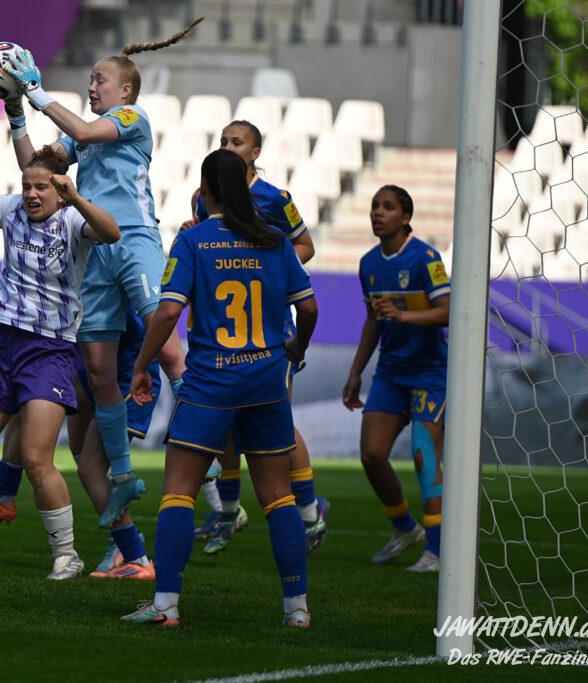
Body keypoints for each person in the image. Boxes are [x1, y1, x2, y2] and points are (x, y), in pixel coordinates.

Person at [0, 22, 202, 528]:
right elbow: (36, 171)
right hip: (93, 248)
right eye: (90, 80)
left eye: (99, 80)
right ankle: (124, 475)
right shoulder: (80, 140)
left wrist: (37, 91)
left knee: (169, 349)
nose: (92, 88)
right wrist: (17, 115)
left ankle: (208, 448)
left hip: (134, 239)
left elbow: (88, 131)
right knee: (97, 369)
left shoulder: (131, 118)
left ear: (125, 89)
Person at [121, 149, 319, 627]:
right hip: (266, 382)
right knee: (278, 496)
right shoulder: (275, 241)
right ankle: (297, 609)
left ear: (205, 189)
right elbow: (309, 308)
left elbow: (168, 311)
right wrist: (296, 346)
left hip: (210, 383)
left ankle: (166, 605)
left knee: (179, 492)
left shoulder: (193, 241)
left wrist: (142, 365)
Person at [0, 146, 121, 579]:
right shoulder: (11, 209)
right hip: (2, 345)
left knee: (36, 458)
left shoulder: (74, 220)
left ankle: (66, 554)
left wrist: (76, 198)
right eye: (27, 186)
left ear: (60, 190)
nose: (31, 194)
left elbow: (112, 232)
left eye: (42, 187)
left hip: (49, 351)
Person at [185, 120, 328, 555]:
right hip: (221, 332)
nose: (229, 146)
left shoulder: (275, 199)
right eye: (223, 141)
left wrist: (271, 270)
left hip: (270, 330)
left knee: (279, 423)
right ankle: (229, 513)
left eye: (237, 141)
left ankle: (310, 515)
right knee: (227, 429)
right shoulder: (202, 197)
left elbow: (304, 246)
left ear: (256, 152)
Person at [0, 302, 162, 580]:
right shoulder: (73, 285)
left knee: (91, 468)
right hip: (88, 374)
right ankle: (3, 497)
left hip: (126, 383)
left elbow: (160, 322)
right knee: (31, 402)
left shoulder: (116, 284)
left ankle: (135, 555)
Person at [342, 185, 449, 573]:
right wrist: (356, 372)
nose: (378, 212)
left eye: (387, 207)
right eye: (375, 206)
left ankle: (436, 550)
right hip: (390, 373)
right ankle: (405, 527)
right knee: (372, 454)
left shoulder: (426, 258)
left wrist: (404, 316)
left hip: (430, 373)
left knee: (424, 456)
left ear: (406, 218)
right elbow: (373, 321)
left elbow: (448, 311)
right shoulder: (369, 264)